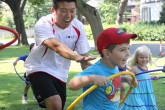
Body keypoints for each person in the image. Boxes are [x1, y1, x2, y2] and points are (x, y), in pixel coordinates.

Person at [24, 0, 95, 109]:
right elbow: (57, 46)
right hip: (39, 67)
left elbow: (85, 60)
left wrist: (97, 77)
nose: (68, 15)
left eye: (72, 11)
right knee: (56, 104)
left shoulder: (78, 27)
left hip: (61, 74)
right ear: (53, 10)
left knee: (59, 106)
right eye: (63, 11)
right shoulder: (43, 24)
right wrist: (76, 56)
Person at [68, 28, 138, 109]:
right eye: (122, 50)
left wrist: (125, 78)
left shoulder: (114, 67)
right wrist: (92, 78)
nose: (128, 54)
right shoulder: (95, 70)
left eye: (128, 49)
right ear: (107, 53)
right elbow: (71, 85)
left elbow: (110, 80)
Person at [119, 45, 159, 110]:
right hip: (136, 92)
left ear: (149, 58)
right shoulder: (135, 69)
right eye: (141, 57)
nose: (144, 59)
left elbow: (144, 77)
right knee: (139, 108)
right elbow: (127, 77)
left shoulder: (146, 68)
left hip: (146, 92)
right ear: (136, 58)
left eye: (146, 57)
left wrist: (153, 76)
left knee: (146, 106)